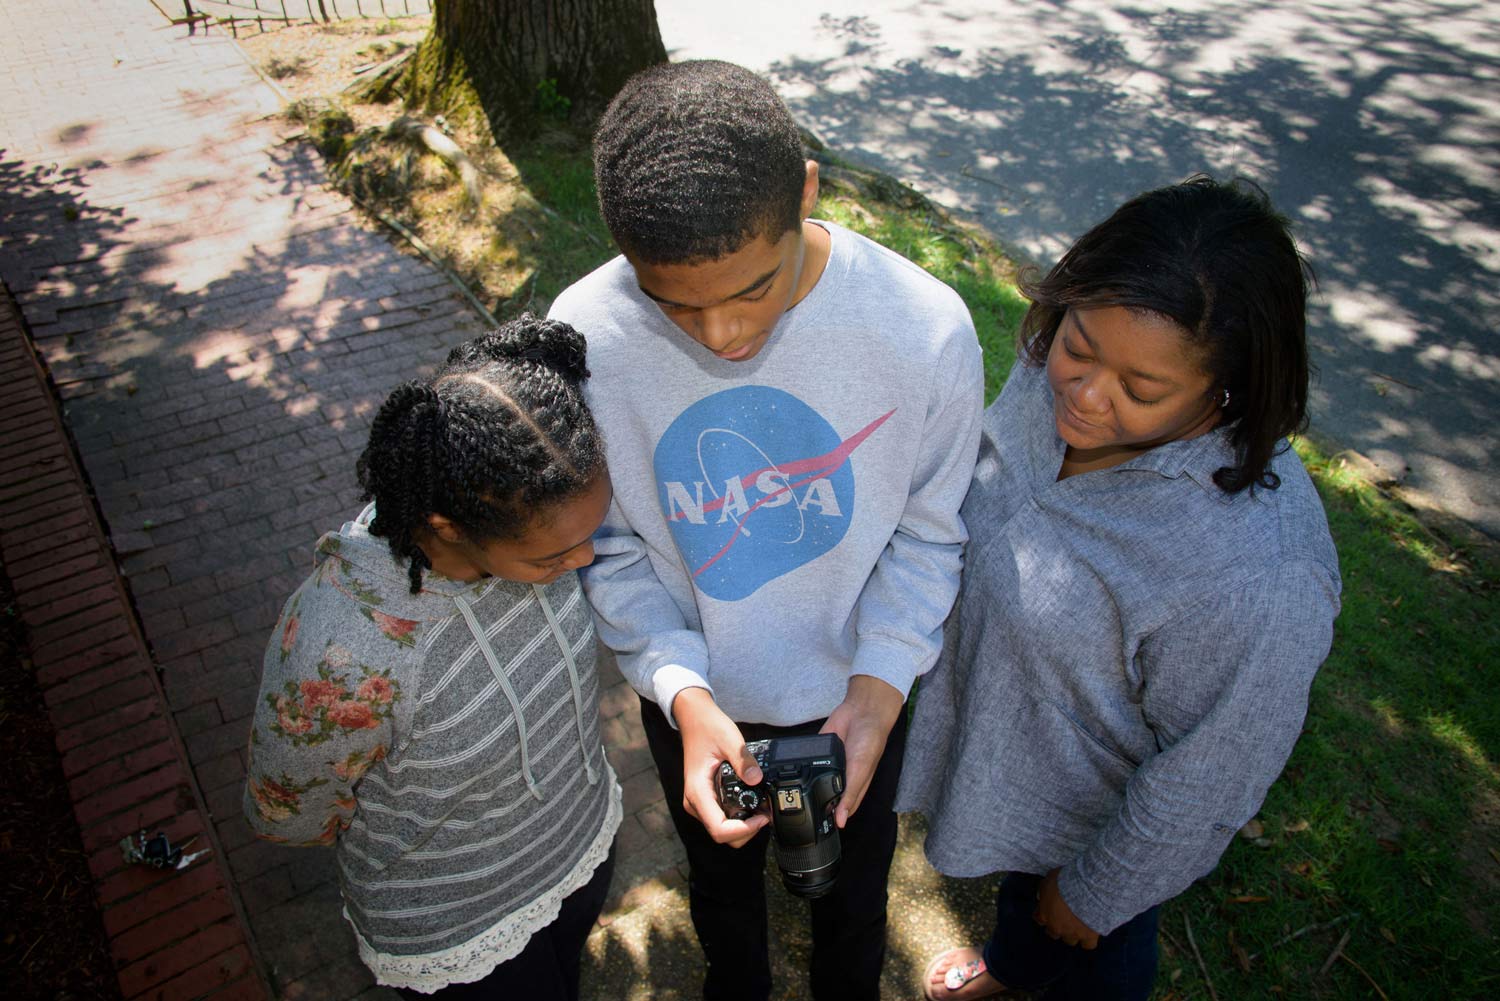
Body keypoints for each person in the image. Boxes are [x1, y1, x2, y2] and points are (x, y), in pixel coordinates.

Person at [548, 60, 983, 1000]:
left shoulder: (926, 331)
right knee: (722, 889)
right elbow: (611, 546)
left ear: (808, 194)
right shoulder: (585, 337)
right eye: (675, 304)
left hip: (858, 694)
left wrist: (878, 688)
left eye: (752, 288)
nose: (721, 335)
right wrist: (683, 693)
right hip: (696, 698)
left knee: (857, 895)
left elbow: (928, 531)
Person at [898, 176, 1343, 1001]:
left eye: (1142, 391)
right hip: (1017, 757)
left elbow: (1213, 769)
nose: (1085, 396)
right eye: (1078, 345)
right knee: (1027, 904)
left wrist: (1103, 888)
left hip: (1098, 828)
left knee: (1086, 939)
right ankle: (1011, 966)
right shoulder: (1060, 372)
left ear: (1229, 390)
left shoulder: (1261, 576)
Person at [242, 316, 620, 999]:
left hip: (575, 853)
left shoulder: (535, 523)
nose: (584, 561)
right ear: (447, 529)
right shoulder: (347, 650)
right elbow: (289, 809)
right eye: (553, 556)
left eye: (588, 536)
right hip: (462, 931)